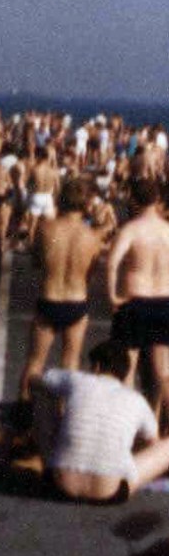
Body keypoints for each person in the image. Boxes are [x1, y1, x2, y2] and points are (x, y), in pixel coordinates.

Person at [30, 339, 169, 503]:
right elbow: (152, 442)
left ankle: (41, 453)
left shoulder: (77, 380)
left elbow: (37, 379)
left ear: (96, 367)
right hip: (108, 492)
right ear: (124, 373)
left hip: (60, 485)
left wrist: (61, 416)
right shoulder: (136, 400)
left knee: (42, 396)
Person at [18, 178, 101, 401]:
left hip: (49, 298)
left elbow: (36, 262)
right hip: (76, 301)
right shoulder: (92, 237)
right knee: (70, 362)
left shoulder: (45, 229)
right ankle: (62, 411)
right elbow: (90, 275)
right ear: (85, 204)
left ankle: (23, 411)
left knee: (35, 360)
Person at [108, 177, 169, 427]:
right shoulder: (167, 230)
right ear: (157, 201)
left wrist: (112, 295)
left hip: (135, 300)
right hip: (165, 301)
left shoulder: (131, 229)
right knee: (161, 372)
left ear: (133, 199)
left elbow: (112, 263)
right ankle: (154, 423)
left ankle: (128, 425)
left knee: (128, 369)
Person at [26, 145, 60, 245]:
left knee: (32, 226)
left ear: (39, 157)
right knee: (49, 225)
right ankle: (49, 245)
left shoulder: (35, 169)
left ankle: (31, 246)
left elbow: (28, 185)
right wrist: (54, 200)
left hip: (36, 195)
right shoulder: (53, 171)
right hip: (48, 197)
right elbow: (57, 187)